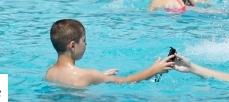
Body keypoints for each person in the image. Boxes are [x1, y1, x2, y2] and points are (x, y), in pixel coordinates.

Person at [44, 19, 175, 87]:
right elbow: (124, 81)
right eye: (84, 40)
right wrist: (154, 70)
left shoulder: (50, 72)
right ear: (72, 45)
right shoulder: (87, 75)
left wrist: (100, 77)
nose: (86, 44)